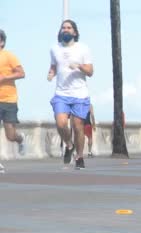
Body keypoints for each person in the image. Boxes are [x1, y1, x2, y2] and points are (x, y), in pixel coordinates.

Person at [47, 20, 94, 169]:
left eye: (69, 28)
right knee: (61, 123)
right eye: (63, 28)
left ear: (75, 32)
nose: (66, 30)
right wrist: (51, 73)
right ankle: (69, 145)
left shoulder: (83, 48)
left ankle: (79, 157)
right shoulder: (54, 49)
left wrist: (79, 66)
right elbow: (54, 66)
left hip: (80, 94)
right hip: (61, 93)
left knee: (78, 126)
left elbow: (90, 72)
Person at [0, 29, 26, 173]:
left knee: (10, 136)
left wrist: (4, 78)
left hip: (9, 100)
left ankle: (20, 138)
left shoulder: (9, 56)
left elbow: (22, 73)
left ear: (2, 42)